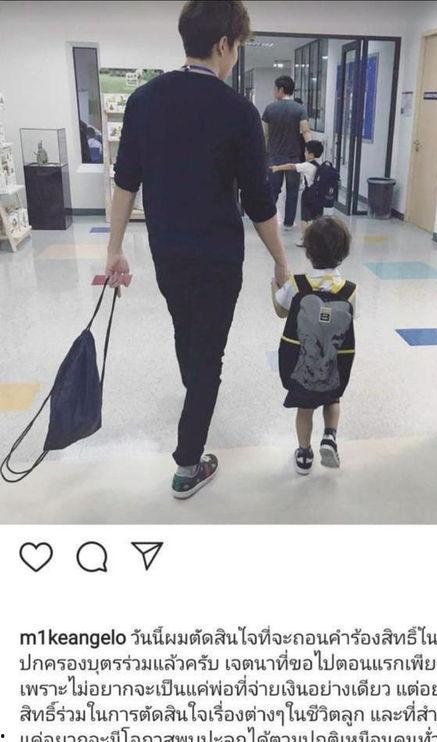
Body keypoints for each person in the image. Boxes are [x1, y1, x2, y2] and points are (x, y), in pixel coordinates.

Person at [105, 0, 289, 499]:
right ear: (223, 45)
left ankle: (195, 394)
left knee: (187, 332)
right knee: (209, 356)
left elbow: (125, 183)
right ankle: (188, 465)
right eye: (237, 47)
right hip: (218, 258)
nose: (236, 56)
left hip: (166, 252)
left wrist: (115, 249)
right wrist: (281, 261)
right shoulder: (239, 112)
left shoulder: (144, 100)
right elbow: (259, 203)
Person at [271, 216, 357, 475]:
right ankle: (329, 435)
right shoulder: (350, 290)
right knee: (332, 400)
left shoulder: (297, 285)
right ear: (344, 253)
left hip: (303, 367)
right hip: (334, 365)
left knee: (305, 409)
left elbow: (281, 311)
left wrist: (274, 287)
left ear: (308, 252)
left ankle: (304, 454)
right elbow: (350, 319)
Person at [262, 76, 311, 230]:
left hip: (274, 158)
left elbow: (264, 134)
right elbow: (306, 132)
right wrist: (311, 153)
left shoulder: (269, 109)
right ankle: (288, 223)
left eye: (275, 89)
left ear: (281, 89)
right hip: (294, 158)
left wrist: (263, 155)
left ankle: (267, 219)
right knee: (292, 191)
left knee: (272, 191)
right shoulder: (300, 109)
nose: (274, 91)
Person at [270, 139, 324, 247]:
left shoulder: (307, 165)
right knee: (316, 218)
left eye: (306, 151)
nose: (304, 153)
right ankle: (318, 239)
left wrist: (278, 167)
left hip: (309, 194)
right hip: (319, 195)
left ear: (311, 155)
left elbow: (291, 166)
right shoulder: (321, 164)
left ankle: (304, 239)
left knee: (305, 218)